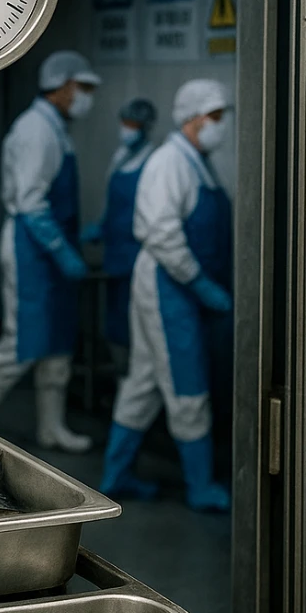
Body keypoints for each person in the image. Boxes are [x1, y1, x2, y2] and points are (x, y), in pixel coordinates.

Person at [97, 78, 233, 510]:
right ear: (193, 118)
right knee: (186, 382)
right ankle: (200, 487)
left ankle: (116, 476)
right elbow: (160, 232)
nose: (221, 126)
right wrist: (199, 282)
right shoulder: (169, 162)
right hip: (167, 285)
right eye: (215, 117)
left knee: (144, 381)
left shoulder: (196, 161)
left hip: (176, 285)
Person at [0, 50, 101, 452]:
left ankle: (52, 428)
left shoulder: (55, 128)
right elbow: (31, 202)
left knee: (56, 345)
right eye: (82, 87)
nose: (86, 96)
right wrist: (61, 249)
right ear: (61, 85)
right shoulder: (37, 130)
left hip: (50, 249)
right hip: (31, 250)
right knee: (23, 343)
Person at [82, 96, 158, 371]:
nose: (126, 128)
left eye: (132, 124)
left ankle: (132, 381)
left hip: (138, 258)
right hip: (115, 256)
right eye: (124, 122)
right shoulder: (120, 157)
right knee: (114, 322)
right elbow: (110, 204)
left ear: (145, 126)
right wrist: (101, 228)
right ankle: (118, 381)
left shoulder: (153, 161)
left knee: (137, 326)